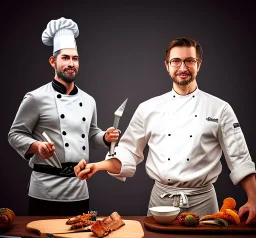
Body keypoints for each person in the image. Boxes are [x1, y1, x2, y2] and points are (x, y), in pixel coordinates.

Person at [74, 37, 256, 224]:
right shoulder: (148, 108)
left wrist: (254, 200)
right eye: (176, 61)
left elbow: (239, 157)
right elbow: (127, 152)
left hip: (204, 203)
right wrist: (96, 166)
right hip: (161, 204)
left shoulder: (220, 108)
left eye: (189, 61)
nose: (182, 68)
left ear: (198, 65)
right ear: (167, 66)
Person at [8, 17, 120, 216]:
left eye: (75, 58)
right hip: (44, 189)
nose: (71, 63)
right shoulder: (36, 97)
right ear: (53, 61)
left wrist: (104, 137)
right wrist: (37, 146)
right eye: (65, 58)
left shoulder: (89, 100)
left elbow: (90, 135)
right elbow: (15, 134)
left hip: (78, 188)